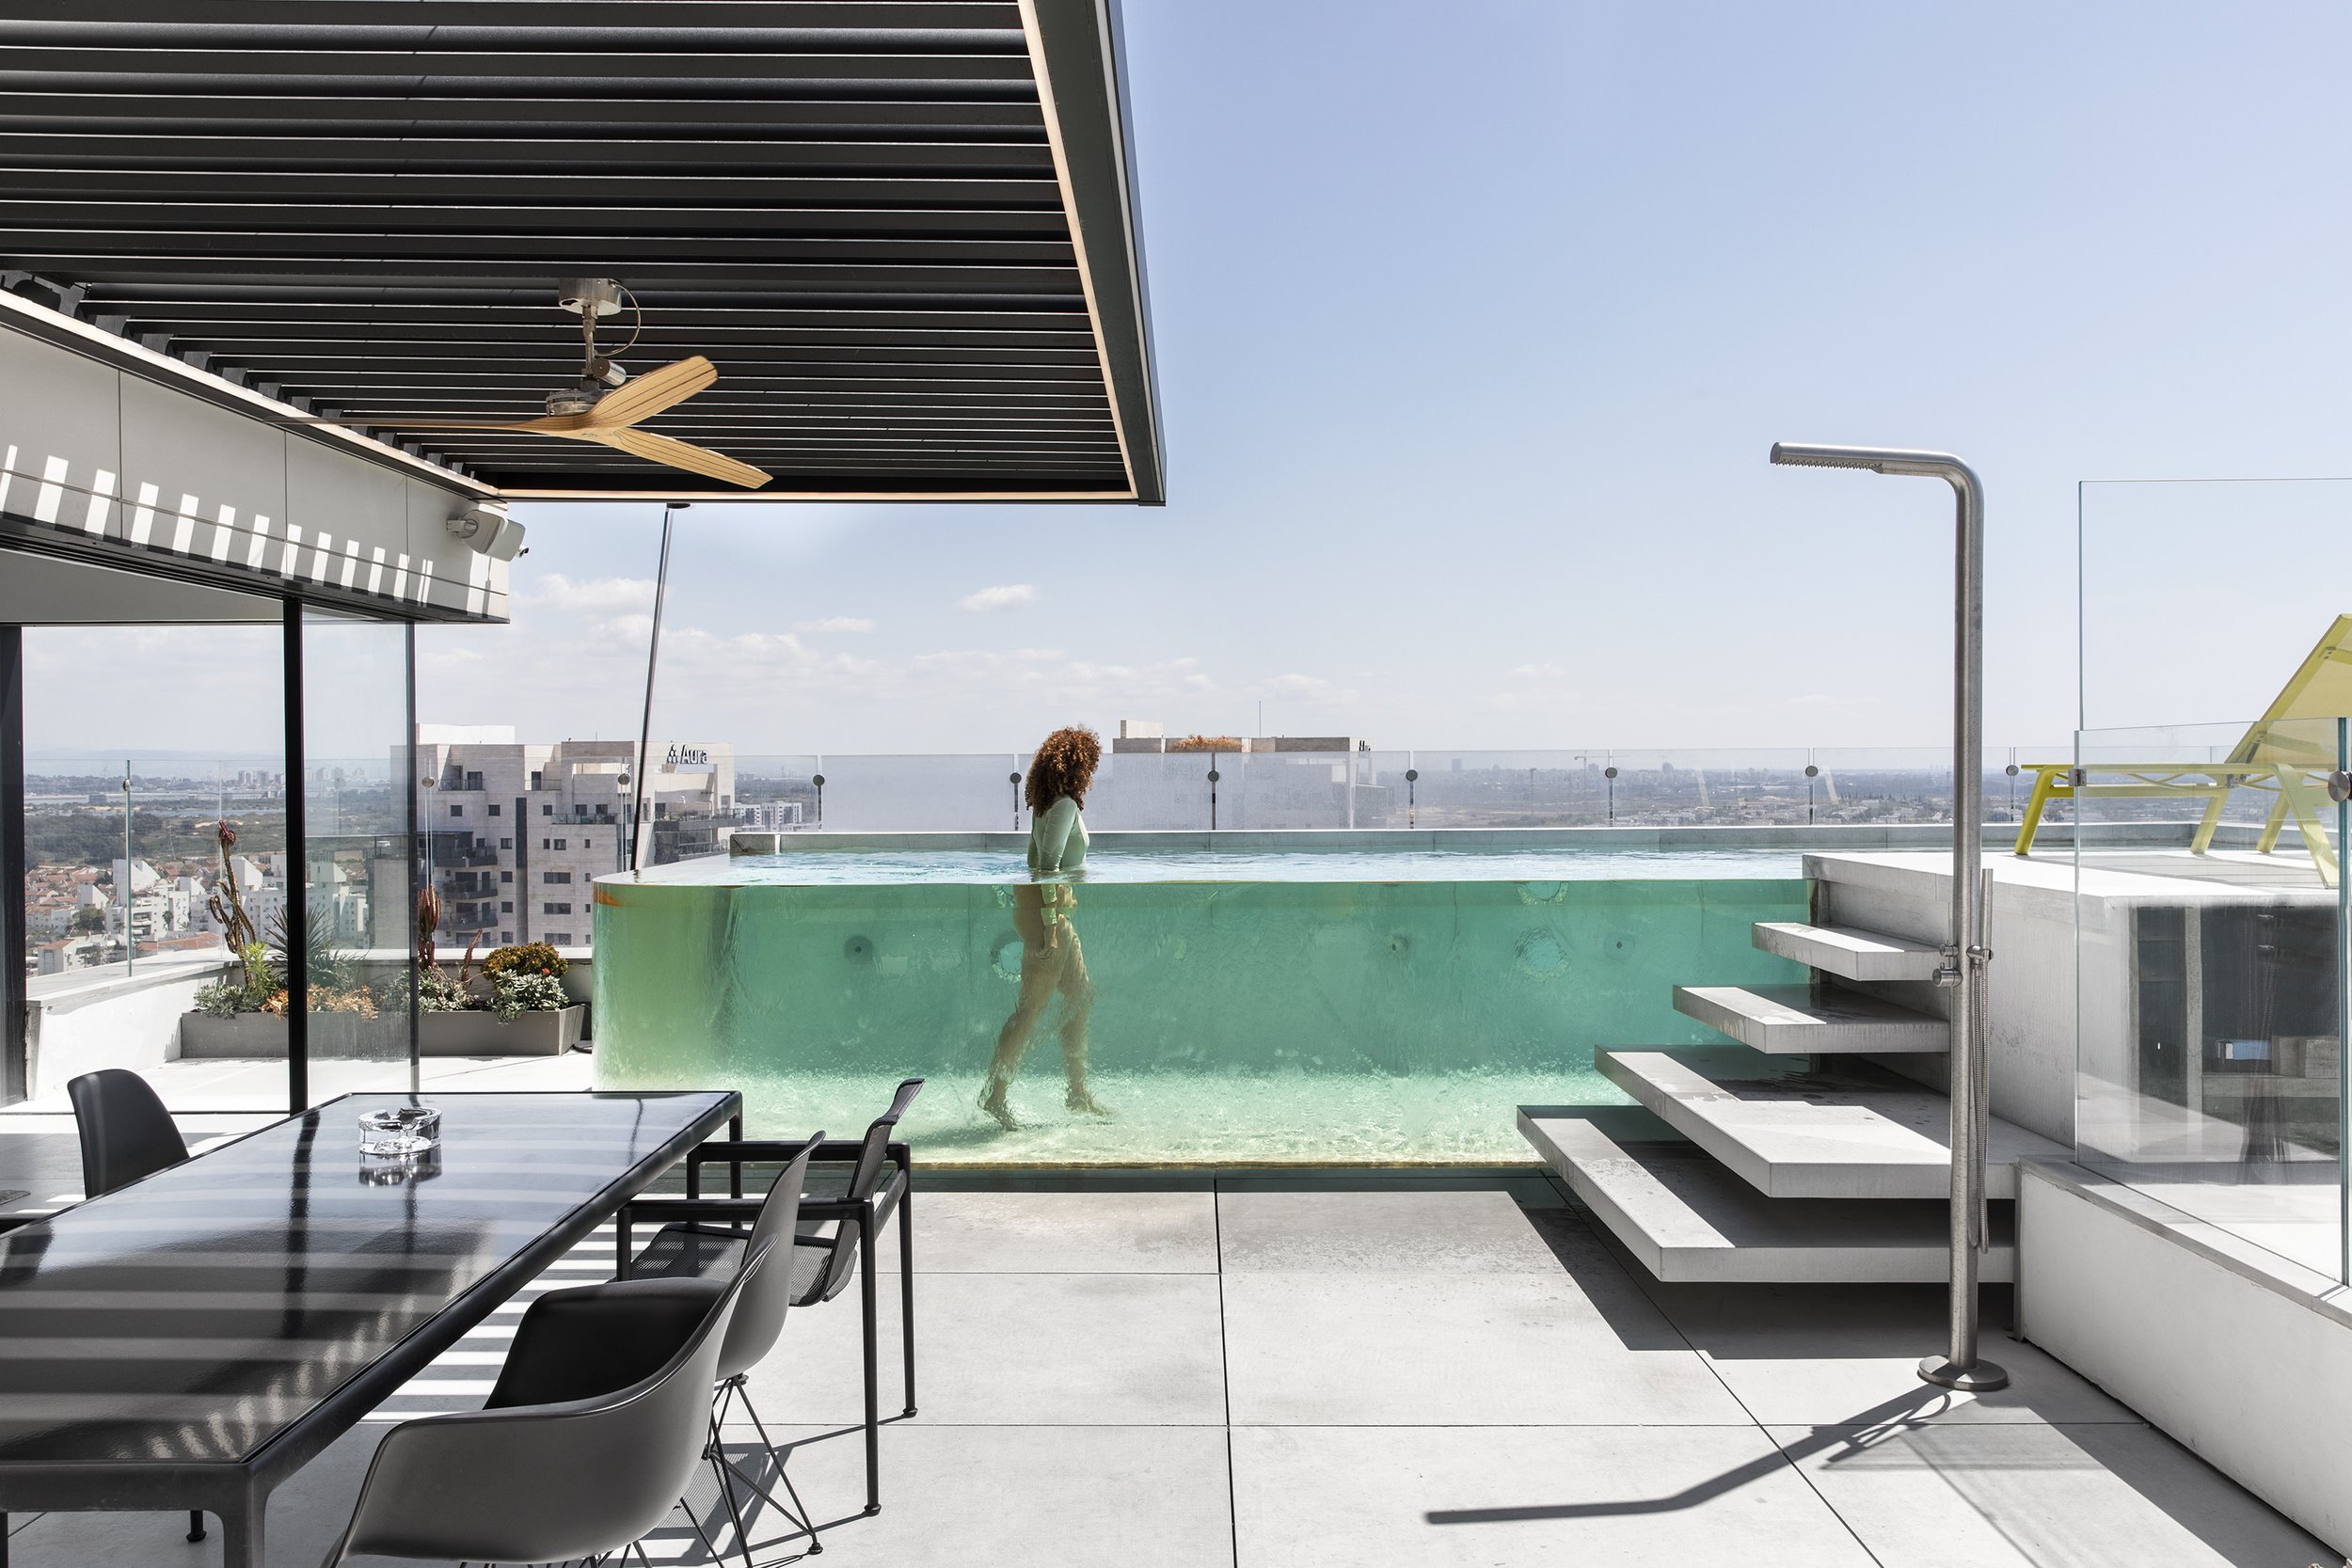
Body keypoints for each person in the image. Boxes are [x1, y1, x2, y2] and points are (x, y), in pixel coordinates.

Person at [981, 725, 1107, 1129]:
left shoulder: (1046, 805)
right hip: (1049, 920)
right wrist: (1051, 929)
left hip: (1050, 916)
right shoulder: (1065, 804)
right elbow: (1049, 867)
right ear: (1079, 765)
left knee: (1081, 996)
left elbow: (1036, 862)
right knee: (1029, 1013)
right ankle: (995, 1096)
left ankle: (1077, 1092)